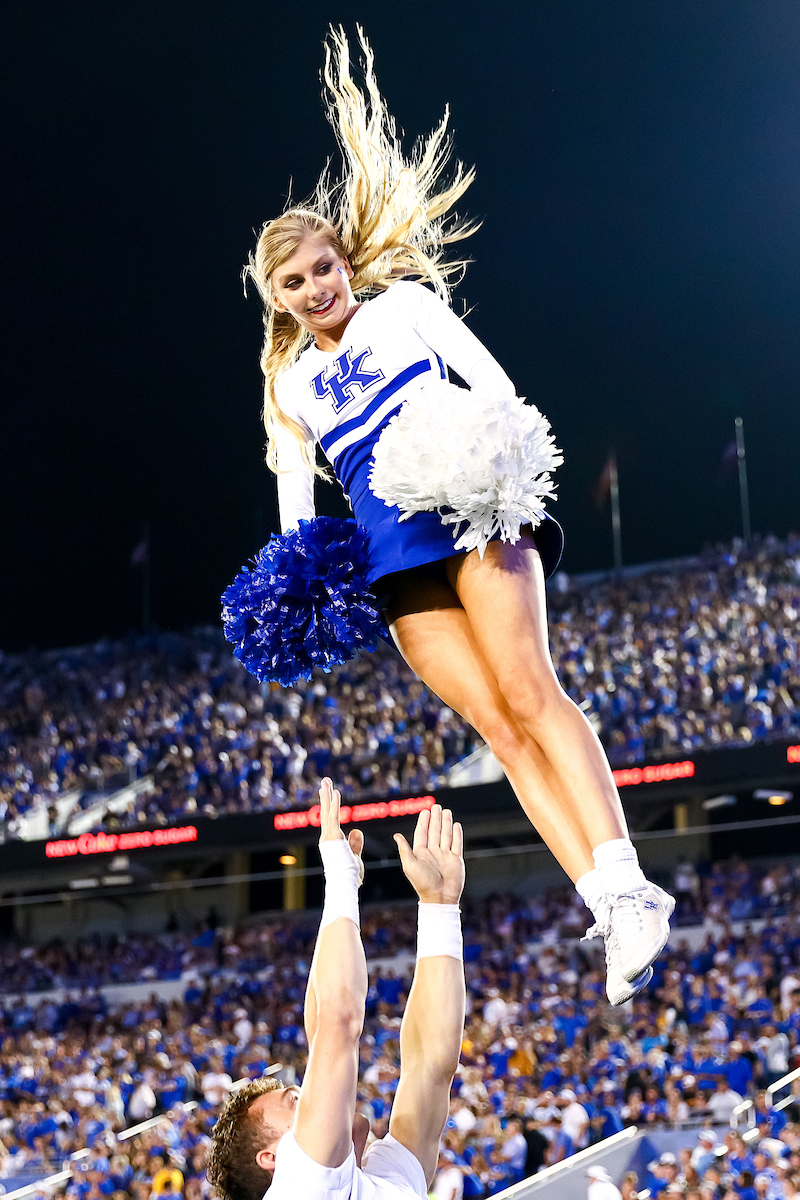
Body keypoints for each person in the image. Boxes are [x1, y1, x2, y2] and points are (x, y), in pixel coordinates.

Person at [240, 25, 673, 1006]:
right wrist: (302, 583)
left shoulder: (404, 310)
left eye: (322, 267)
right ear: (274, 297)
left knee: (528, 689)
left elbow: (498, 391)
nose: (316, 288)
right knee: (495, 728)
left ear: (343, 259)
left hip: (467, 506)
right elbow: (295, 512)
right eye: (294, 282)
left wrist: (494, 470)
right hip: (391, 558)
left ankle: (625, 871)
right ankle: (608, 906)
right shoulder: (289, 386)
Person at [206, 781, 466, 1199]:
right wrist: (339, 876)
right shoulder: (296, 1189)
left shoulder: (371, 1182)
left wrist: (439, 907)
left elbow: (431, 1067)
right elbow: (336, 1020)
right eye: (294, 1099)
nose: (310, 1094)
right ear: (273, 1158)